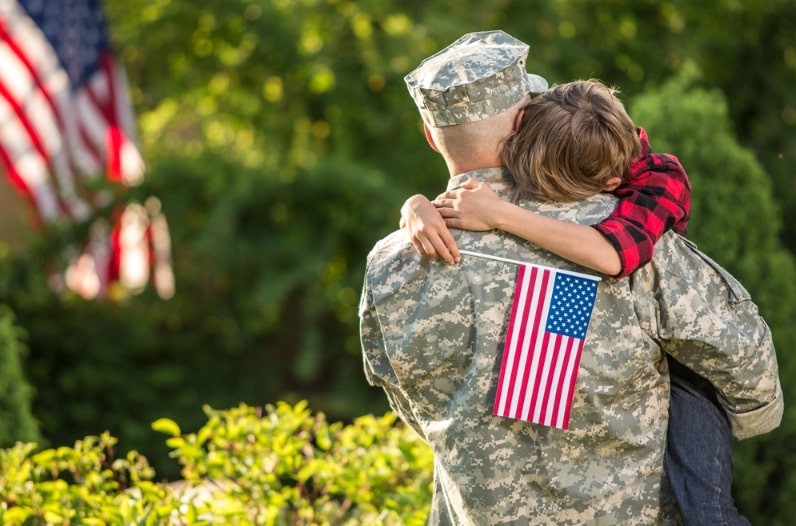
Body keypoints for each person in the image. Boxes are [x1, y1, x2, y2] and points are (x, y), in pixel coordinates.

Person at [359, 30, 783, 525]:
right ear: (525, 122)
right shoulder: (614, 227)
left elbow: (406, 400)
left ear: (430, 136)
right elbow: (750, 373)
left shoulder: (390, 263)